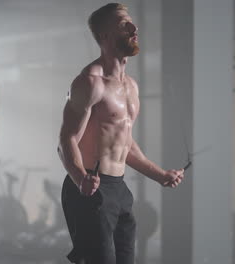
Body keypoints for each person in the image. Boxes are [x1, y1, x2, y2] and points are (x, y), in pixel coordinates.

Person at [57, 3, 184, 264]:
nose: (134, 27)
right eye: (123, 23)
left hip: (120, 190)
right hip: (91, 189)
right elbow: (66, 140)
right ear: (104, 35)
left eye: (132, 22)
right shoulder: (90, 82)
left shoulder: (131, 87)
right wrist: (81, 178)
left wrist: (160, 175)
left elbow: (124, 143)